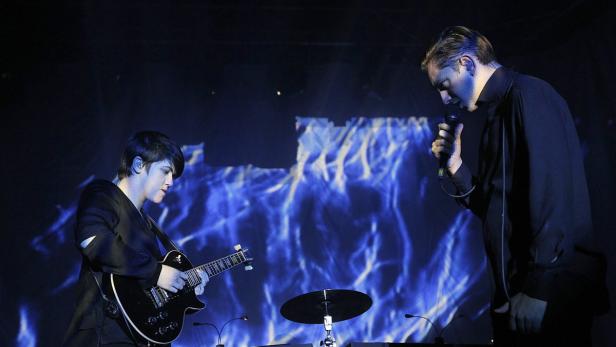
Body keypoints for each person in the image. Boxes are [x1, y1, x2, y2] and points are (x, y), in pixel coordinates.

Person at [424, 26, 609, 346]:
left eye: (444, 84)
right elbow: (497, 210)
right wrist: (455, 165)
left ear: (467, 64)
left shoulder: (528, 95)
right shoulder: (498, 114)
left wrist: (538, 289)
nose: (444, 97)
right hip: (521, 294)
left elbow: (553, 195)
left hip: (548, 294)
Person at [63, 131, 209, 346]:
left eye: (174, 175)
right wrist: (156, 272)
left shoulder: (146, 222)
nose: (170, 182)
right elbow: (92, 241)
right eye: (166, 171)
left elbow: (145, 294)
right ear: (139, 165)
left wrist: (183, 288)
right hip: (107, 335)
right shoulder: (103, 194)